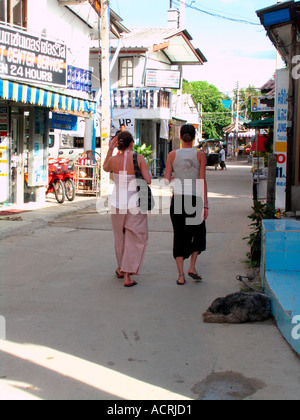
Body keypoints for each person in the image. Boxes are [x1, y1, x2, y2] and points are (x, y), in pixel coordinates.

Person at [103, 131, 152, 288]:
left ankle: (120, 269)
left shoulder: (113, 159)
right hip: (135, 203)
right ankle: (127, 274)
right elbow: (149, 180)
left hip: (117, 203)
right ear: (131, 143)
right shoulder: (139, 158)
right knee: (136, 237)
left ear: (118, 145)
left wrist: (110, 149)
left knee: (120, 237)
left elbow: (105, 168)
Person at [165, 124, 208, 285]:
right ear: (194, 136)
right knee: (198, 235)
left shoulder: (172, 155)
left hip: (177, 200)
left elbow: (166, 179)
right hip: (195, 200)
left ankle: (181, 275)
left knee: (179, 235)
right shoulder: (200, 156)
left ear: (181, 137)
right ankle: (192, 267)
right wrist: (206, 205)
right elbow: (203, 181)